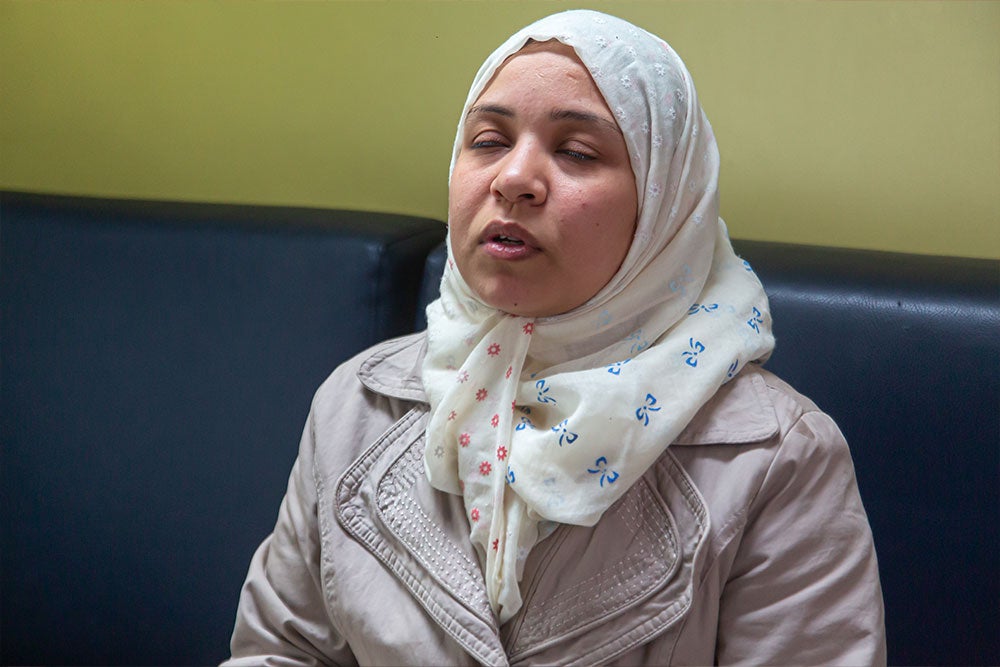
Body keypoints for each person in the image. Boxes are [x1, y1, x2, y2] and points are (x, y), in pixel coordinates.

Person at [224, 10, 885, 666]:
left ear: (664, 205)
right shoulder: (357, 406)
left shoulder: (778, 459)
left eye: (576, 151)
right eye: (487, 141)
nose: (513, 178)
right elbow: (280, 652)